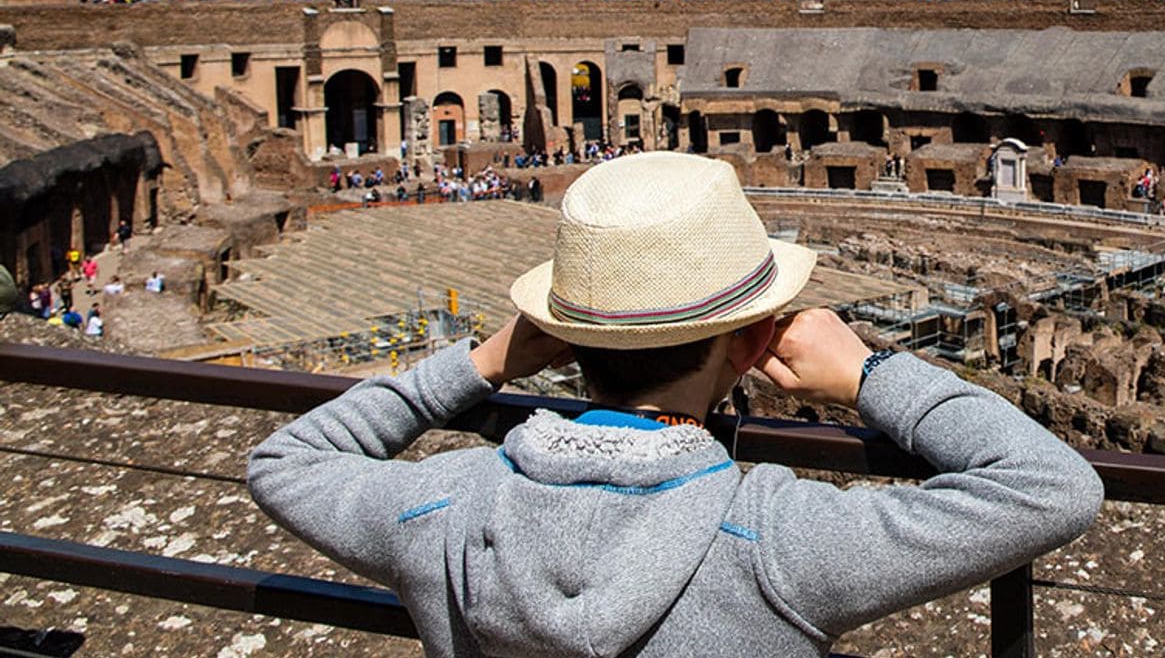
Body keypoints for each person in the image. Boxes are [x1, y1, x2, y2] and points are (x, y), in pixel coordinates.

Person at [250, 153, 1102, 658]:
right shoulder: (779, 540)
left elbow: (284, 461)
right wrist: (871, 373)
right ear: (746, 345)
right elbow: (1050, 487)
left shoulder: (443, 507)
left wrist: (484, 362)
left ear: (563, 336)